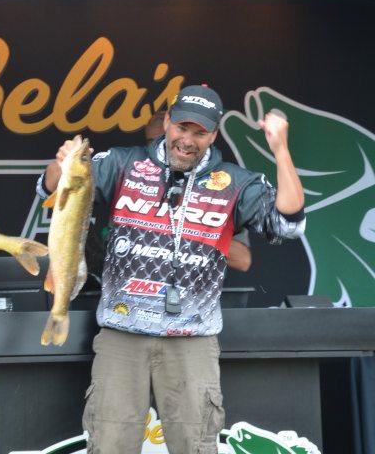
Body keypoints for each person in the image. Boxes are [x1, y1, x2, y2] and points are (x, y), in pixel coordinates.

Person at [37, 84, 305, 453]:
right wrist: (62, 162)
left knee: (195, 447)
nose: (187, 140)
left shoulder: (235, 182)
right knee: (110, 445)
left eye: (200, 132)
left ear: (213, 134)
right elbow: (50, 188)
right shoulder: (123, 163)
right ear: (167, 122)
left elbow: (289, 223)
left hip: (191, 339)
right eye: (182, 128)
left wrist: (281, 150)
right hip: (122, 334)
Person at [145, 108, 252, 273]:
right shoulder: (133, 183)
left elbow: (242, 260)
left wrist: (187, 230)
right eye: (151, 142)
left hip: (192, 286)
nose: (160, 148)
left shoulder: (218, 190)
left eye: (166, 141)